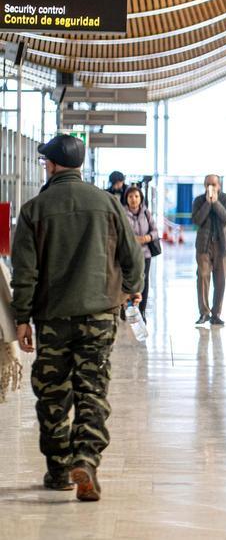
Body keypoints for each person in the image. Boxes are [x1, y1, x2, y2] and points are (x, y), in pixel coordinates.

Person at [11, 134, 143, 501]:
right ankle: (85, 458)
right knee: (92, 389)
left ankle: (58, 471)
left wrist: (22, 317)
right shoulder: (106, 203)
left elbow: (25, 271)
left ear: (51, 165)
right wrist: (132, 289)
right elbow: (133, 255)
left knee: (52, 393)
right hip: (99, 315)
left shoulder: (34, 209)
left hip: (52, 318)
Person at [191, 174, 226, 327]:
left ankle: (216, 314)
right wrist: (208, 204)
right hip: (204, 246)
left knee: (220, 280)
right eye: (208, 184)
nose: (211, 187)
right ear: (204, 185)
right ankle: (204, 313)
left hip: (222, 246)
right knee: (202, 277)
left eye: (214, 184)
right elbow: (196, 220)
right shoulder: (198, 200)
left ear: (219, 186)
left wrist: (215, 203)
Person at [123, 186, 158, 318]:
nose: (134, 199)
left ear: (141, 198)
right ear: (126, 198)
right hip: (129, 254)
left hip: (145, 253)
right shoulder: (122, 212)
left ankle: (142, 311)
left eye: (136, 196)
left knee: (144, 281)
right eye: (131, 196)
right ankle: (126, 309)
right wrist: (133, 239)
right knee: (128, 280)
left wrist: (147, 238)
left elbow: (155, 231)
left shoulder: (146, 213)